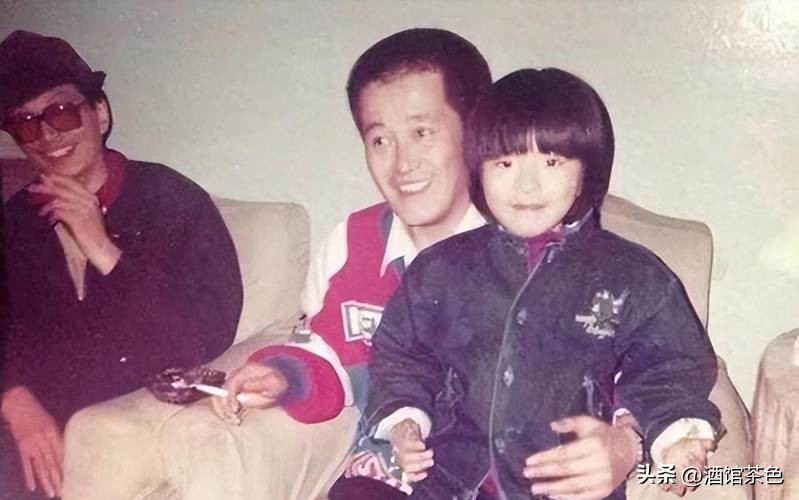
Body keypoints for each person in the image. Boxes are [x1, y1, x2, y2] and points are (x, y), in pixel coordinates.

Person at [363, 68, 722, 499]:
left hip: (566, 488)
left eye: (552, 162)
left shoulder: (634, 274)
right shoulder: (439, 269)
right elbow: (402, 356)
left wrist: (672, 435)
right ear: (478, 170)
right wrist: (404, 420)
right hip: (448, 483)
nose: (527, 185)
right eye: (505, 163)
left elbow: (671, 367)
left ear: (585, 171)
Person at [211, 27, 491, 494]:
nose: (402, 163)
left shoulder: (527, 251)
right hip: (384, 480)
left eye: (422, 132)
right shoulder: (353, 242)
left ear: (475, 131)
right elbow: (333, 354)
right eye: (380, 140)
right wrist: (282, 375)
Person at [0, 30, 243, 499]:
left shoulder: (171, 201)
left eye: (61, 111)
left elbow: (203, 334)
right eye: (26, 124)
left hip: (108, 424)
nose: (47, 135)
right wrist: (13, 396)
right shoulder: (18, 217)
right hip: (29, 421)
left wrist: (103, 248)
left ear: (100, 113)